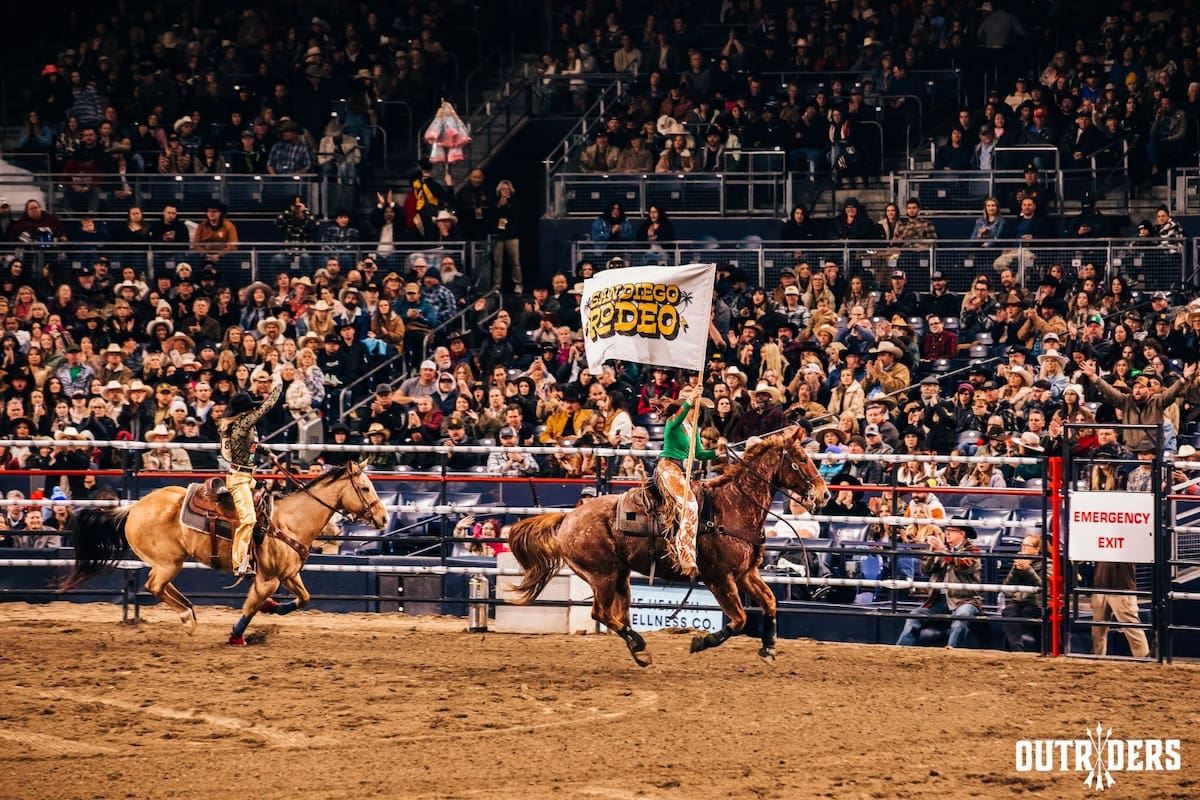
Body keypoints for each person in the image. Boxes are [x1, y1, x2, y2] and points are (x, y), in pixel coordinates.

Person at [654, 384, 725, 578]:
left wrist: (716, 453)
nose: (698, 412)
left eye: (699, 409)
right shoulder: (673, 422)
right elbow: (679, 417)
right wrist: (691, 398)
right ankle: (684, 552)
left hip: (681, 470)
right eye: (696, 408)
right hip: (668, 468)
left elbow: (700, 454)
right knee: (689, 505)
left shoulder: (693, 428)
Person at [216, 378, 283, 576]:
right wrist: (278, 390)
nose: (254, 410)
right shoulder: (242, 424)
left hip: (246, 476)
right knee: (248, 519)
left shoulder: (241, 427)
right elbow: (265, 408)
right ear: (245, 411)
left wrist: (267, 452)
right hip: (239, 479)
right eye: (251, 408)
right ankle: (239, 563)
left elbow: (250, 445)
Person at [895, 517, 983, 648]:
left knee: (961, 617)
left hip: (964, 599)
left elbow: (963, 566)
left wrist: (942, 550)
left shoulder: (973, 551)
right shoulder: (943, 549)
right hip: (938, 600)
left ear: (962, 533)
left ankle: (951, 650)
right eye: (946, 530)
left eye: (951, 531)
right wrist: (931, 553)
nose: (947, 534)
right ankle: (901, 649)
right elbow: (925, 570)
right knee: (914, 616)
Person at [1002, 533, 1045, 652]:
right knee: (1008, 611)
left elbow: (1043, 586)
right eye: (1022, 545)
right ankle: (1017, 649)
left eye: (1027, 545)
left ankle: (1017, 649)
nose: (1023, 548)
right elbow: (1007, 588)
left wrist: (1027, 569)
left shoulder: (1047, 564)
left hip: (1036, 603)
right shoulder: (1018, 563)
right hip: (1018, 601)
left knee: (1025, 613)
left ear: (1037, 549)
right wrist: (1015, 570)